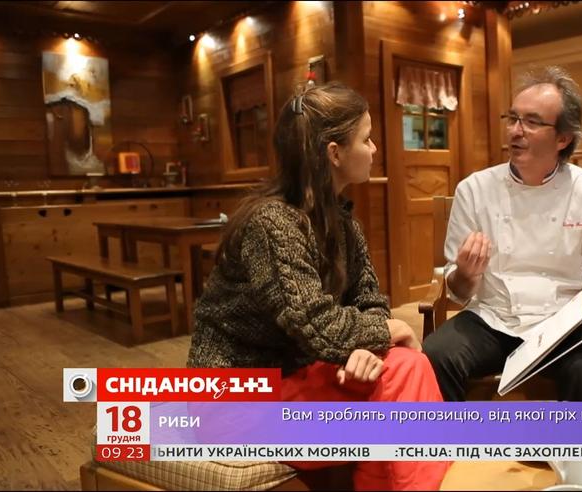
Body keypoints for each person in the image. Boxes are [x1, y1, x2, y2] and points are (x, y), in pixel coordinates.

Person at [187, 82, 449, 490]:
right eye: (366, 138)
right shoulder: (271, 224)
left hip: (301, 375)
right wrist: (388, 331)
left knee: (402, 368)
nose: (375, 148)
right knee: (404, 379)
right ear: (334, 153)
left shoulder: (342, 222)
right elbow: (314, 322)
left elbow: (368, 300)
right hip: (233, 402)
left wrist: (366, 346)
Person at [422, 66, 582, 402]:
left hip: (559, 324)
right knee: (435, 355)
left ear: (563, 138)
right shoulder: (474, 190)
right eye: (513, 118)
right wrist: (466, 274)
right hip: (492, 318)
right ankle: (451, 438)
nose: (516, 131)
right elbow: (457, 290)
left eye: (532, 122)